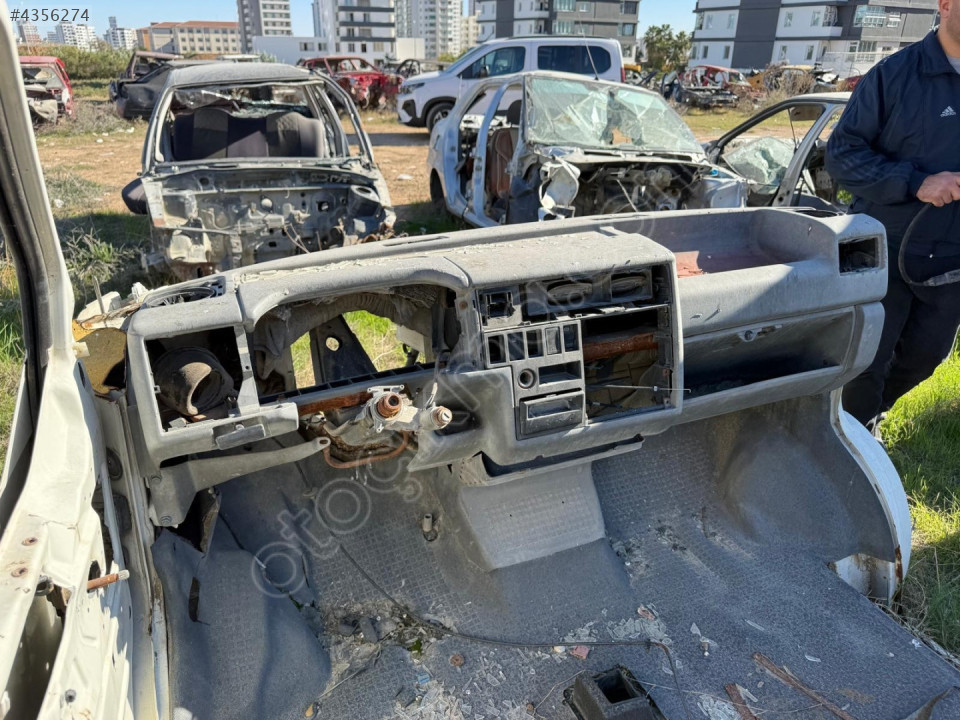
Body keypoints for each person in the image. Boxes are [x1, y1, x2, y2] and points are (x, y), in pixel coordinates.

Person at [825, 0, 960, 431]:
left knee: (928, 357)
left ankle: (867, 417)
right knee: (867, 362)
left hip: (951, 259)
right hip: (885, 249)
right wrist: (916, 182)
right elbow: (842, 155)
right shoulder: (894, 75)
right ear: (945, 5)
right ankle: (855, 437)